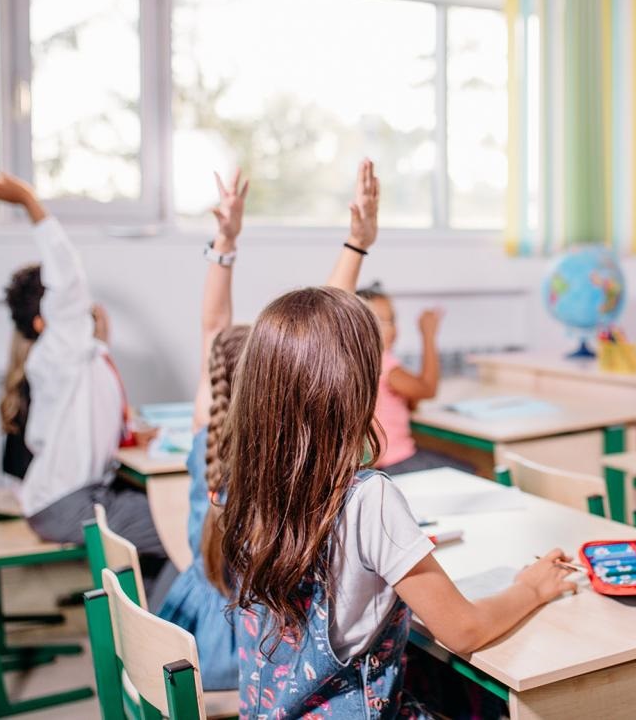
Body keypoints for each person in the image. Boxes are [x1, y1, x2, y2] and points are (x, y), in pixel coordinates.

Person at [219, 286, 576, 717]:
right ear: (355, 385)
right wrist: (531, 588)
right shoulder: (368, 498)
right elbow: (463, 631)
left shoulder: (242, 484)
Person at [158, 161, 380, 690]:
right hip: (249, 647)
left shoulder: (209, 427)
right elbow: (322, 336)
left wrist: (225, 240)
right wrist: (357, 245)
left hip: (187, 630)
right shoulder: (282, 458)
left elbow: (215, 327)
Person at [0, 173, 167, 589]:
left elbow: (93, 421)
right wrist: (30, 201)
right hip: (70, 504)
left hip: (68, 498)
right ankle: (162, 633)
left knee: (166, 521)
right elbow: (68, 274)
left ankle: (151, 630)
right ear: (48, 318)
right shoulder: (57, 350)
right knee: (187, 524)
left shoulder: (72, 357)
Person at [356, 286, 470, 474]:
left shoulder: (361, 363)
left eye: (391, 320)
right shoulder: (384, 363)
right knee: (476, 473)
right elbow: (428, 389)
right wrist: (428, 335)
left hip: (378, 465)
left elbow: (410, 402)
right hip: (397, 462)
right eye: (380, 321)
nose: (391, 329)